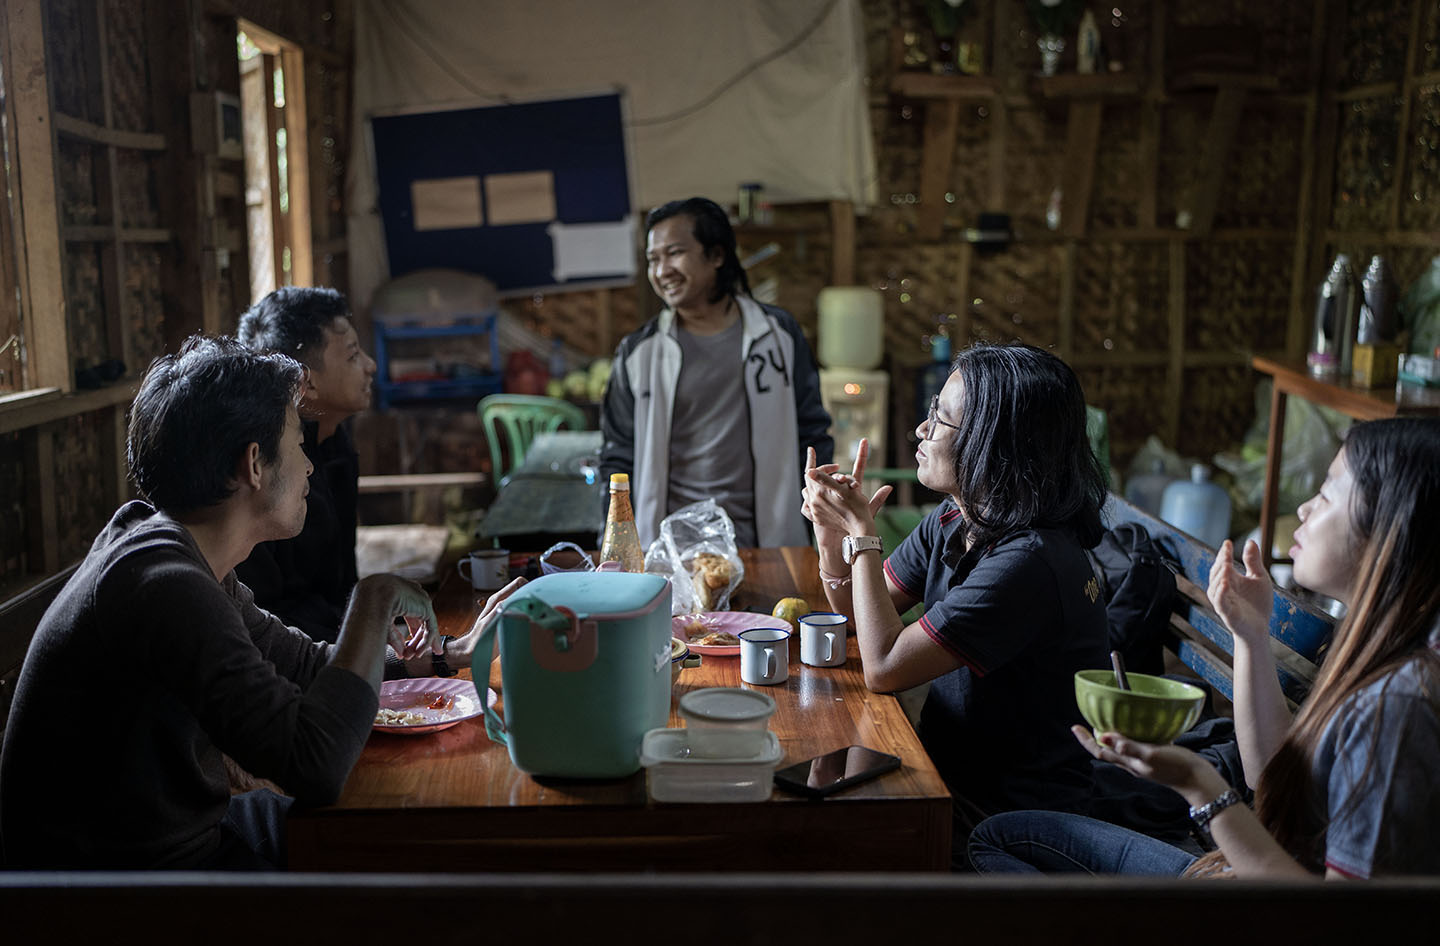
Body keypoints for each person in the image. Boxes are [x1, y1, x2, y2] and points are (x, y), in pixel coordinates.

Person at [0, 336, 507, 870]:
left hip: (181, 841)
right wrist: (373, 598)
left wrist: (448, 654)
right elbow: (315, 765)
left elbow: (309, 667)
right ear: (254, 464)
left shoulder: (182, 558)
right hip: (111, 894)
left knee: (403, 830)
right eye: (296, 443)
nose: (310, 466)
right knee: (399, 858)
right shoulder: (161, 582)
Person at [968, 417, 1440, 879]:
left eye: (1327, 492)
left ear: (1390, 526)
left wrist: (1200, 785)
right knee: (1003, 834)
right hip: (1242, 869)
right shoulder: (1381, 653)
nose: (1303, 510)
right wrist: (1250, 634)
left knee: (993, 840)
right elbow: (1270, 778)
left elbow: (1339, 926)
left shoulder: (1398, 707)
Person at [801, 343, 1110, 861]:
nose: (920, 431)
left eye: (939, 420)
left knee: (814, 841)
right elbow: (856, 621)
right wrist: (834, 542)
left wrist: (864, 533)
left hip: (1006, 818)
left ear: (996, 443)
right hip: (948, 775)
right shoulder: (957, 518)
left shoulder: (1029, 562)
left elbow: (883, 667)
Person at [600, 197, 833, 548]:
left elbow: (811, 431)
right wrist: (619, 543)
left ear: (717, 255)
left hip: (767, 543)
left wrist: (818, 522)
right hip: (669, 549)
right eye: (653, 259)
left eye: (674, 252)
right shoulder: (639, 352)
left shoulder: (778, 335)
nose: (662, 270)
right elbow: (617, 456)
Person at [236, 286, 375, 642]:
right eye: (353, 355)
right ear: (304, 380)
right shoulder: (257, 470)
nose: (370, 366)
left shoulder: (336, 441)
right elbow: (265, 615)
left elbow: (344, 581)